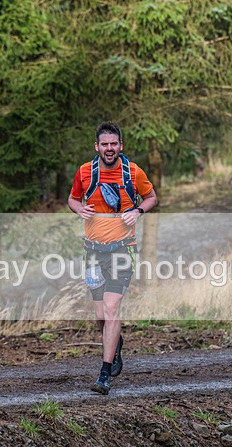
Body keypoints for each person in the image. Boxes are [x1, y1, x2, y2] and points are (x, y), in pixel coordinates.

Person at [68, 122, 158, 395]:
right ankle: (115, 344)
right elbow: (71, 199)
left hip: (122, 249)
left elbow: (151, 197)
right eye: (104, 144)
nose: (110, 149)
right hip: (93, 251)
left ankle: (105, 374)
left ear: (121, 146)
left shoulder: (133, 172)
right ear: (97, 147)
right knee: (100, 316)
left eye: (114, 144)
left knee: (111, 309)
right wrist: (79, 209)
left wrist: (138, 211)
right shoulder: (85, 172)